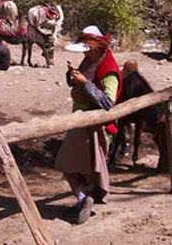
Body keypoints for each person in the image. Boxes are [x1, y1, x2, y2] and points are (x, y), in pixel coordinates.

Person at [54, 25, 122, 225]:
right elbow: (82, 84)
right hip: (82, 123)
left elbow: (109, 103)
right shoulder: (90, 60)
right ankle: (83, 200)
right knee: (84, 169)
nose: (84, 53)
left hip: (93, 127)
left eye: (86, 48)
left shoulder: (109, 70)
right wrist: (73, 76)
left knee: (66, 162)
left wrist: (84, 83)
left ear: (95, 48)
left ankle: (83, 198)